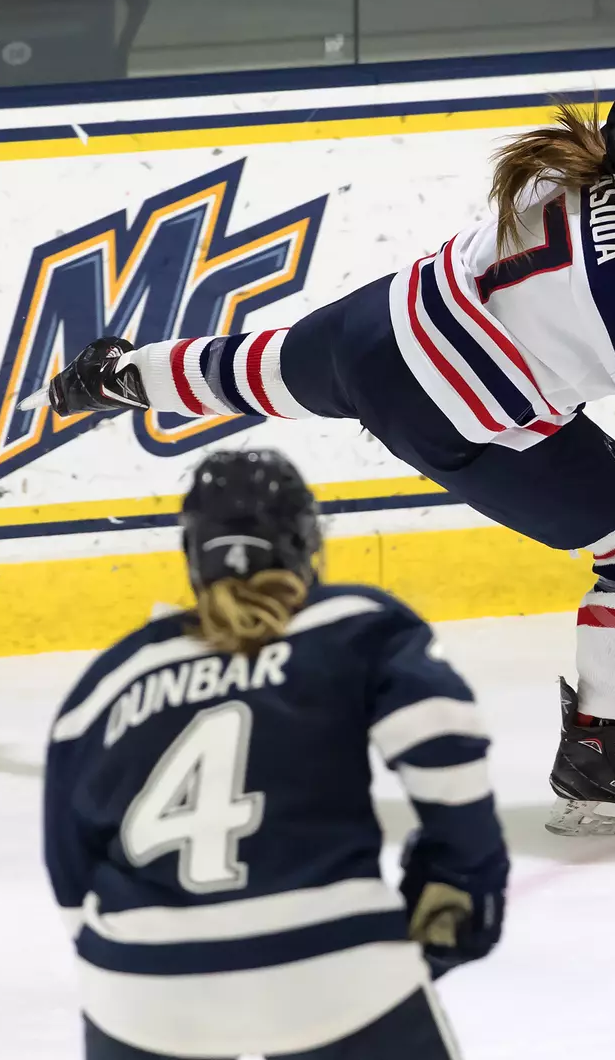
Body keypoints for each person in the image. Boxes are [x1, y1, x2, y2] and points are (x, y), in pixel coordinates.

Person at [34, 73, 615, 837]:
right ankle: (595, 749)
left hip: (382, 326)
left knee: (254, 368)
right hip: (462, 418)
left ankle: (117, 375)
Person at [43, 448, 506, 1059]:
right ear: (306, 541)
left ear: (192, 555)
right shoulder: (353, 623)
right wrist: (465, 878)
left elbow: (69, 865)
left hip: (139, 993)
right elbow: (441, 740)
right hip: (333, 972)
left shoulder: (111, 677)